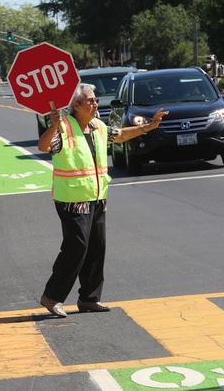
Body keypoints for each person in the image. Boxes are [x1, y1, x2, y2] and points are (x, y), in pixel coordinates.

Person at [38, 84, 169, 317]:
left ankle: (89, 298)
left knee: (97, 248)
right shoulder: (64, 127)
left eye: (96, 99)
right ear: (76, 105)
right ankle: (52, 297)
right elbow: (44, 145)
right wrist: (54, 124)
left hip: (97, 197)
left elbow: (119, 135)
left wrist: (149, 126)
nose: (96, 103)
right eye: (90, 100)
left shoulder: (98, 126)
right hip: (72, 199)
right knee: (76, 246)